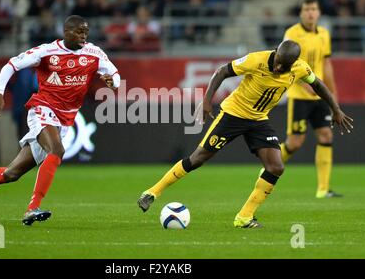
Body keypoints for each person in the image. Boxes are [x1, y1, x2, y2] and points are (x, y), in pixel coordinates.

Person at [137, 40, 353, 228]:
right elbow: (222, 71)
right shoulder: (256, 60)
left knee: (276, 167)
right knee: (198, 158)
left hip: (259, 120)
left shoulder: (300, 68)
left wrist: (335, 109)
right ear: (276, 52)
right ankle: (151, 192)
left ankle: (244, 216)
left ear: (292, 64)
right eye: (277, 61)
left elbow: (319, 85)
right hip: (233, 114)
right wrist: (206, 100)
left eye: (283, 66)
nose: (278, 67)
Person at [0, 15, 120, 226]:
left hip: (65, 119)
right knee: (57, 150)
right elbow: (11, 65)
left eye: (86, 31)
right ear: (66, 32)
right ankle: (32, 208)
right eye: (79, 31)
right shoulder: (46, 52)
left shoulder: (94, 53)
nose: (84, 35)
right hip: (42, 108)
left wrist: (113, 83)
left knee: (11, 174)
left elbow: (114, 73)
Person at [281, 0, 341, 198]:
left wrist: (332, 93)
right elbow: (286, 65)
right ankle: (270, 165)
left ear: (319, 12)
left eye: (313, 9)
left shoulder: (324, 34)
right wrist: (307, 86)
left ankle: (323, 189)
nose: (310, 12)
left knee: (326, 135)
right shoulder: (292, 33)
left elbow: (327, 65)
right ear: (301, 13)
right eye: (306, 9)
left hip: (320, 95)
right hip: (299, 96)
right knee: (295, 143)